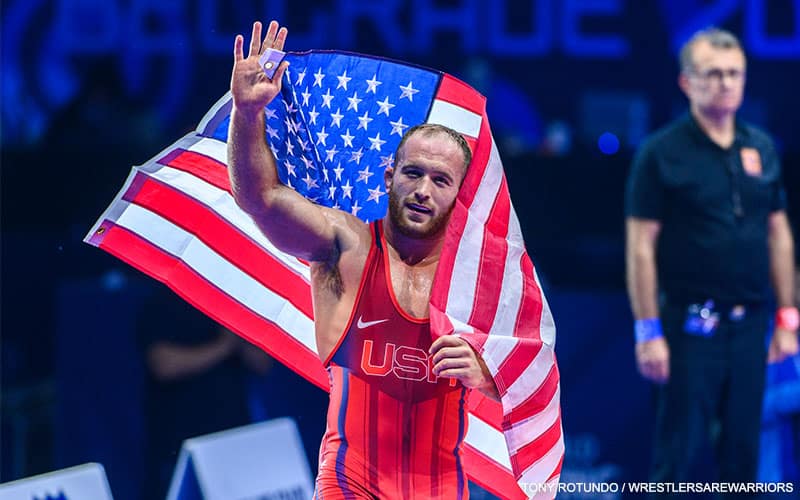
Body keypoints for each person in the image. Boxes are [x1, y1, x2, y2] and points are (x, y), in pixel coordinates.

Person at [228, 20, 499, 498]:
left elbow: (533, 388)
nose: (421, 190)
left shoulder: (478, 277)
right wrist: (248, 115)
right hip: (350, 486)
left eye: (441, 180)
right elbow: (262, 197)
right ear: (389, 175)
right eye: (412, 173)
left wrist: (490, 378)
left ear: (462, 195)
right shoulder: (346, 246)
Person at [625, 27, 798, 493]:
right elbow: (640, 245)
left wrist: (787, 317)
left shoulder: (760, 147)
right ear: (687, 82)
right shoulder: (661, 153)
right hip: (687, 327)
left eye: (734, 74)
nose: (725, 83)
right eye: (713, 74)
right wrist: (648, 331)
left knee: (743, 457)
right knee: (674, 456)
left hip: (750, 328)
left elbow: (778, 232)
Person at [138, 283, 271, 499]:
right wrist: (224, 346)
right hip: (180, 445)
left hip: (234, 439)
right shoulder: (164, 300)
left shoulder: (228, 301)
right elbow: (163, 366)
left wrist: (234, 328)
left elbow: (262, 364)